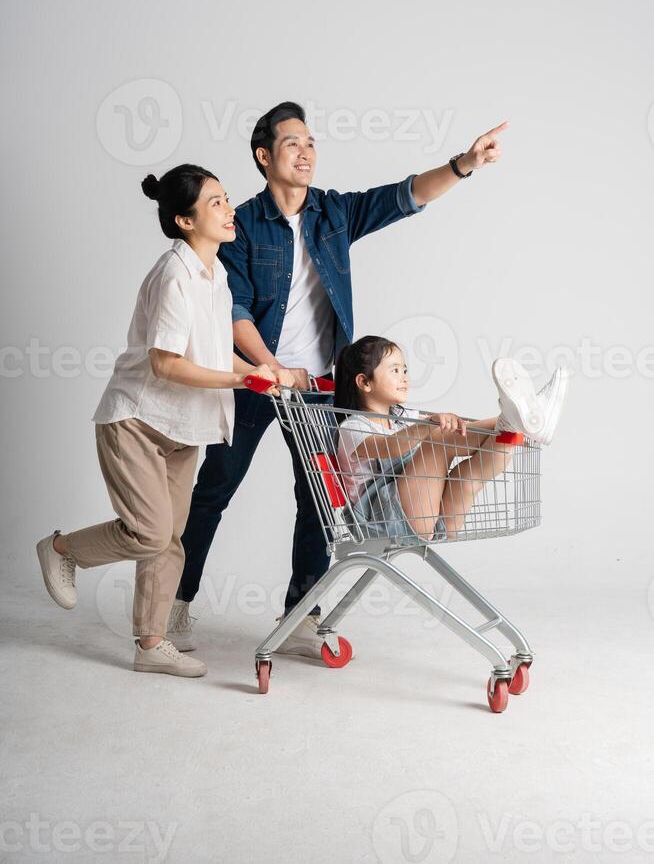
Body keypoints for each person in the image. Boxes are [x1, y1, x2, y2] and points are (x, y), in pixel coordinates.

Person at [168, 101, 510, 659]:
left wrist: (464, 163)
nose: (306, 152)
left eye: (310, 142)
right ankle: (177, 602)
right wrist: (271, 370)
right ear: (264, 156)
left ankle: (302, 610)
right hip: (260, 382)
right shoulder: (243, 225)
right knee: (214, 490)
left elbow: (405, 196)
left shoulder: (334, 213)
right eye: (291, 144)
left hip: (323, 389)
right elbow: (236, 311)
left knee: (317, 501)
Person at [36, 165, 278, 677]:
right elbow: (165, 363)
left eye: (226, 198)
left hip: (185, 426)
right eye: (215, 202)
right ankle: (62, 549)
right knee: (149, 533)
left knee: (172, 537)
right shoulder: (175, 275)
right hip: (138, 421)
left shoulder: (216, 275)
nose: (229, 209)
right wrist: (240, 383)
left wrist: (257, 370)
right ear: (184, 220)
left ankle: (150, 642)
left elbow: (214, 351)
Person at [335, 337, 569, 541]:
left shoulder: (402, 417)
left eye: (405, 371)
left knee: (468, 475)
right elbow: (390, 447)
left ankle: (519, 422)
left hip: (434, 515)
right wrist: (430, 426)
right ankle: (520, 422)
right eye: (395, 371)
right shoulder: (353, 428)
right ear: (364, 382)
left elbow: (463, 432)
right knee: (437, 440)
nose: (404, 378)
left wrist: (446, 426)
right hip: (384, 521)